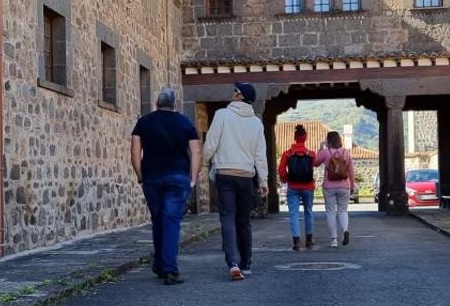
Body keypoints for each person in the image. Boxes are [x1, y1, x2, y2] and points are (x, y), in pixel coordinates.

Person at [131, 87, 201, 285]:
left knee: (158, 220)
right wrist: (193, 178)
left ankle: (161, 264)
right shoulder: (185, 122)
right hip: (178, 178)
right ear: (174, 104)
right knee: (170, 221)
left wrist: (140, 176)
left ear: (156, 103)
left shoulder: (143, 123)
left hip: (152, 178)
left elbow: (135, 152)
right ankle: (169, 269)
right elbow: (196, 152)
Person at [201, 82, 269, 280]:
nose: (232, 93)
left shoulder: (222, 115)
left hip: (225, 174)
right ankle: (246, 263)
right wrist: (263, 181)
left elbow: (211, 143)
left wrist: (202, 163)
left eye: (235, 91)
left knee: (228, 218)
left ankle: (233, 263)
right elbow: (260, 156)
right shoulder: (256, 123)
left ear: (239, 96)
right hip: (246, 176)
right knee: (244, 221)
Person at [278, 124, 317, 251]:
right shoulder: (311, 154)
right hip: (308, 186)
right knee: (308, 212)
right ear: (305, 138)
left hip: (293, 186)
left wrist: (286, 179)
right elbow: (315, 165)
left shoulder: (287, 154)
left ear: (295, 137)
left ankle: (296, 240)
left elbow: (281, 170)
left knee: (293, 214)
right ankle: (310, 239)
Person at [315, 131, 356, 248]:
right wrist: (352, 186)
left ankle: (334, 240)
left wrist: (320, 147)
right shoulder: (346, 153)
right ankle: (345, 230)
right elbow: (351, 171)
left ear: (328, 141)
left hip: (329, 186)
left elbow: (315, 163)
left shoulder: (325, 152)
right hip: (344, 186)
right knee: (343, 210)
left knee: (330, 212)